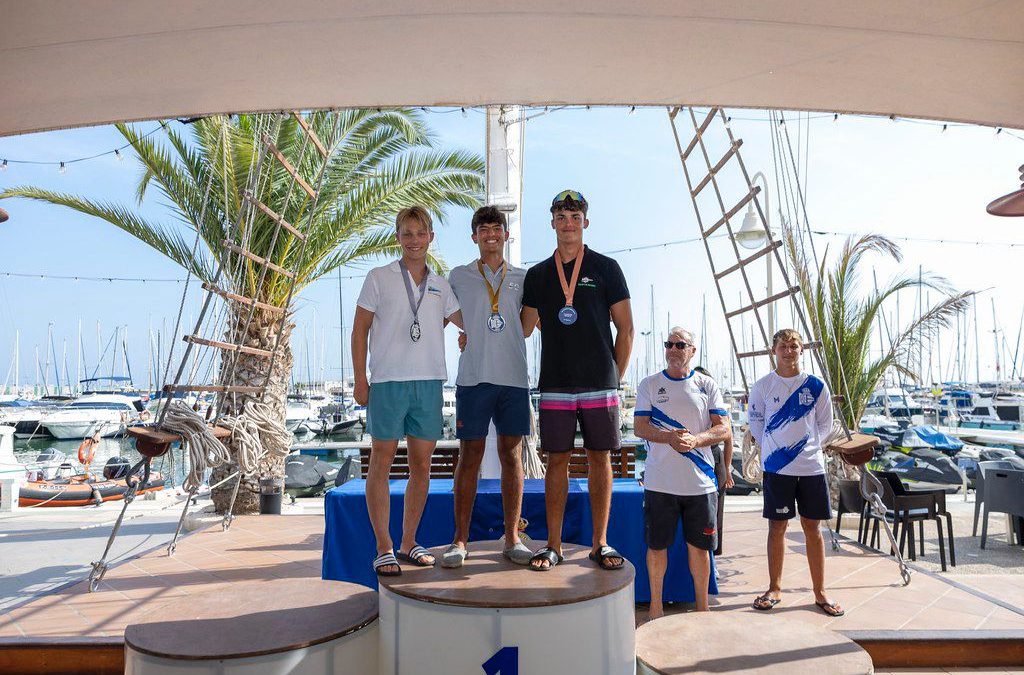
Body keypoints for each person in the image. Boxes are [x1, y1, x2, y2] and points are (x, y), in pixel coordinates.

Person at [521, 189, 634, 571]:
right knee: (557, 461)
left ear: (585, 222)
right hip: (554, 382)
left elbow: (627, 329)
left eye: (575, 216)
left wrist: (614, 378)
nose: (568, 223)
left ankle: (600, 543)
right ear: (552, 223)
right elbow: (521, 328)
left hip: (600, 383)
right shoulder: (537, 275)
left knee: (600, 459)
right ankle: (552, 545)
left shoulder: (606, 268)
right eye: (561, 216)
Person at [352, 205, 463, 577]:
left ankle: (408, 541)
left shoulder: (441, 285)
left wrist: (470, 330)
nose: (414, 240)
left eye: (421, 233)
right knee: (381, 462)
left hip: (429, 381)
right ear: (398, 237)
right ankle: (383, 547)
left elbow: (463, 320)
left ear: (431, 237)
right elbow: (359, 331)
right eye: (407, 233)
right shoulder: (378, 277)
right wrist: (360, 379)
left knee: (421, 466)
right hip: (386, 382)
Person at [441, 205, 533, 568]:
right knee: (469, 459)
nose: (491, 234)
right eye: (484, 229)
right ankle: (459, 541)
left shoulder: (524, 278)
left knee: (512, 457)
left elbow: (526, 328)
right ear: (474, 236)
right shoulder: (459, 276)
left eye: (497, 228)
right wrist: (470, 331)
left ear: (506, 235)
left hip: (513, 378)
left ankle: (512, 538)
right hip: (473, 379)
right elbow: (446, 315)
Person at [748, 328, 844, 617]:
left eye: (794, 346)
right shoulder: (763, 386)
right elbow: (756, 424)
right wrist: (775, 450)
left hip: (811, 467)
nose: (789, 351)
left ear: (802, 351)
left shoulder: (815, 386)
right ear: (774, 351)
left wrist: (807, 447)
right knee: (776, 528)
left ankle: (820, 592)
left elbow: (825, 424)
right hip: (777, 469)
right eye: (783, 346)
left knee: (812, 529)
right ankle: (774, 588)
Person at [633, 329, 730, 615]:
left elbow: (724, 428)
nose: (673, 349)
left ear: (692, 351)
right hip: (660, 482)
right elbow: (640, 428)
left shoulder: (707, 385)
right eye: (669, 344)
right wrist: (670, 438)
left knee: (700, 549)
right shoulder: (649, 384)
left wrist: (696, 440)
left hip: (700, 484)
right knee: (656, 547)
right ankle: (655, 607)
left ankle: (702, 610)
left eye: (680, 345)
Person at [693, 365, 734, 556]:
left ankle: (713, 554)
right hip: (691, 459)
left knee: (716, 511)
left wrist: (727, 469)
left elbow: (728, 439)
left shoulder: (717, 408)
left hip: (714, 458)